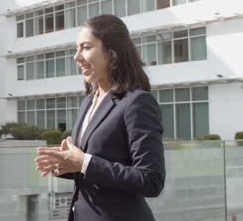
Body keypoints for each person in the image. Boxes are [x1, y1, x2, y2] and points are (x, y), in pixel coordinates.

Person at [35, 14, 166, 221]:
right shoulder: (89, 100)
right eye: (76, 48)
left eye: (86, 47)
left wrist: (84, 162)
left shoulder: (137, 102)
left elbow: (151, 180)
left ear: (112, 52)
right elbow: (96, 165)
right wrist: (67, 164)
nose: (76, 57)